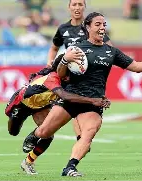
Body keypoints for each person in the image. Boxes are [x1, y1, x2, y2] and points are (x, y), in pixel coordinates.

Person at [24, 12, 142, 177]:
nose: (102, 27)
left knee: (88, 133)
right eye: (98, 24)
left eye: (104, 24)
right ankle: (34, 135)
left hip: (94, 103)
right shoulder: (76, 50)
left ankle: (70, 167)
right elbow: (60, 75)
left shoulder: (111, 52)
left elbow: (136, 67)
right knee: (44, 132)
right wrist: (65, 60)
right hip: (70, 98)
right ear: (88, 27)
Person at [5, 54, 110, 174]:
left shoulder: (67, 78)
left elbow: (81, 93)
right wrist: (93, 101)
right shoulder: (52, 78)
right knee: (13, 132)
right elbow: (65, 96)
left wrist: (99, 97)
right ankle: (32, 136)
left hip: (41, 106)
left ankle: (28, 162)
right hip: (22, 103)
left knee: (48, 134)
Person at [46, 0, 112, 146]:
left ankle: (80, 139)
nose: (77, 7)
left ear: (84, 7)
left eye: (80, 4)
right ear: (69, 7)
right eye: (74, 4)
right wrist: (50, 62)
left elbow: (109, 49)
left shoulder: (91, 27)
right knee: (67, 104)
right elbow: (53, 48)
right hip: (69, 73)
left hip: (88, 77)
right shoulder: (63, 28)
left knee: (76, 106)